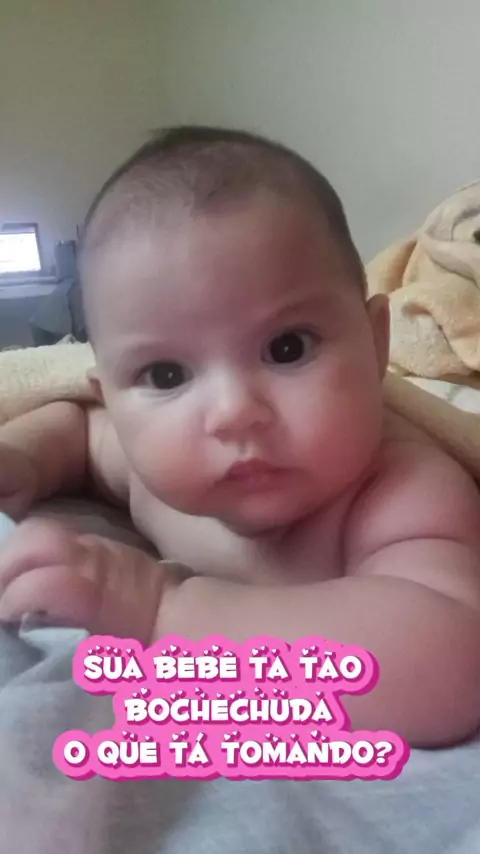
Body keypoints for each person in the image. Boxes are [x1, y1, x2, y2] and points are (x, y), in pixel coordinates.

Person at [0, 126, 480, 747]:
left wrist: (162, 613)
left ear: (375, 344)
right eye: (166, 375)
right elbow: (77, 429)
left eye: (287, 348)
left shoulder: (398, 492)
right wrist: (25, 457)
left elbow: (445, 664)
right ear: (111, 396)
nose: (233, 413)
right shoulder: (145, 467)